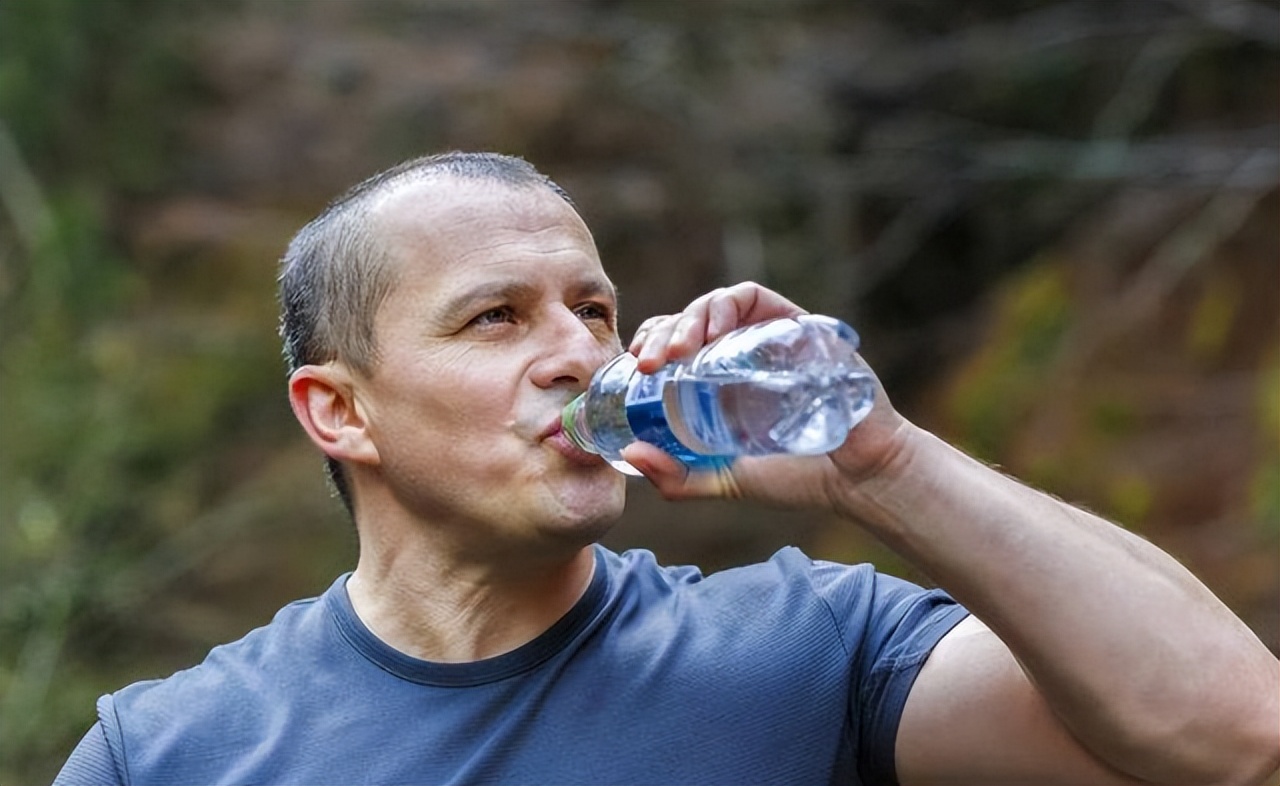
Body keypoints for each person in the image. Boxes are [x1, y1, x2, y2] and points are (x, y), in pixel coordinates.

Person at [55, 152, 1278, 786]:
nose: (577, 353)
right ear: (339, 413)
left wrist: (882, 467)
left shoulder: (813, 649)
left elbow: (1233, 738)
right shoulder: (171, 753)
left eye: (591, 308)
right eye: (495, 318)